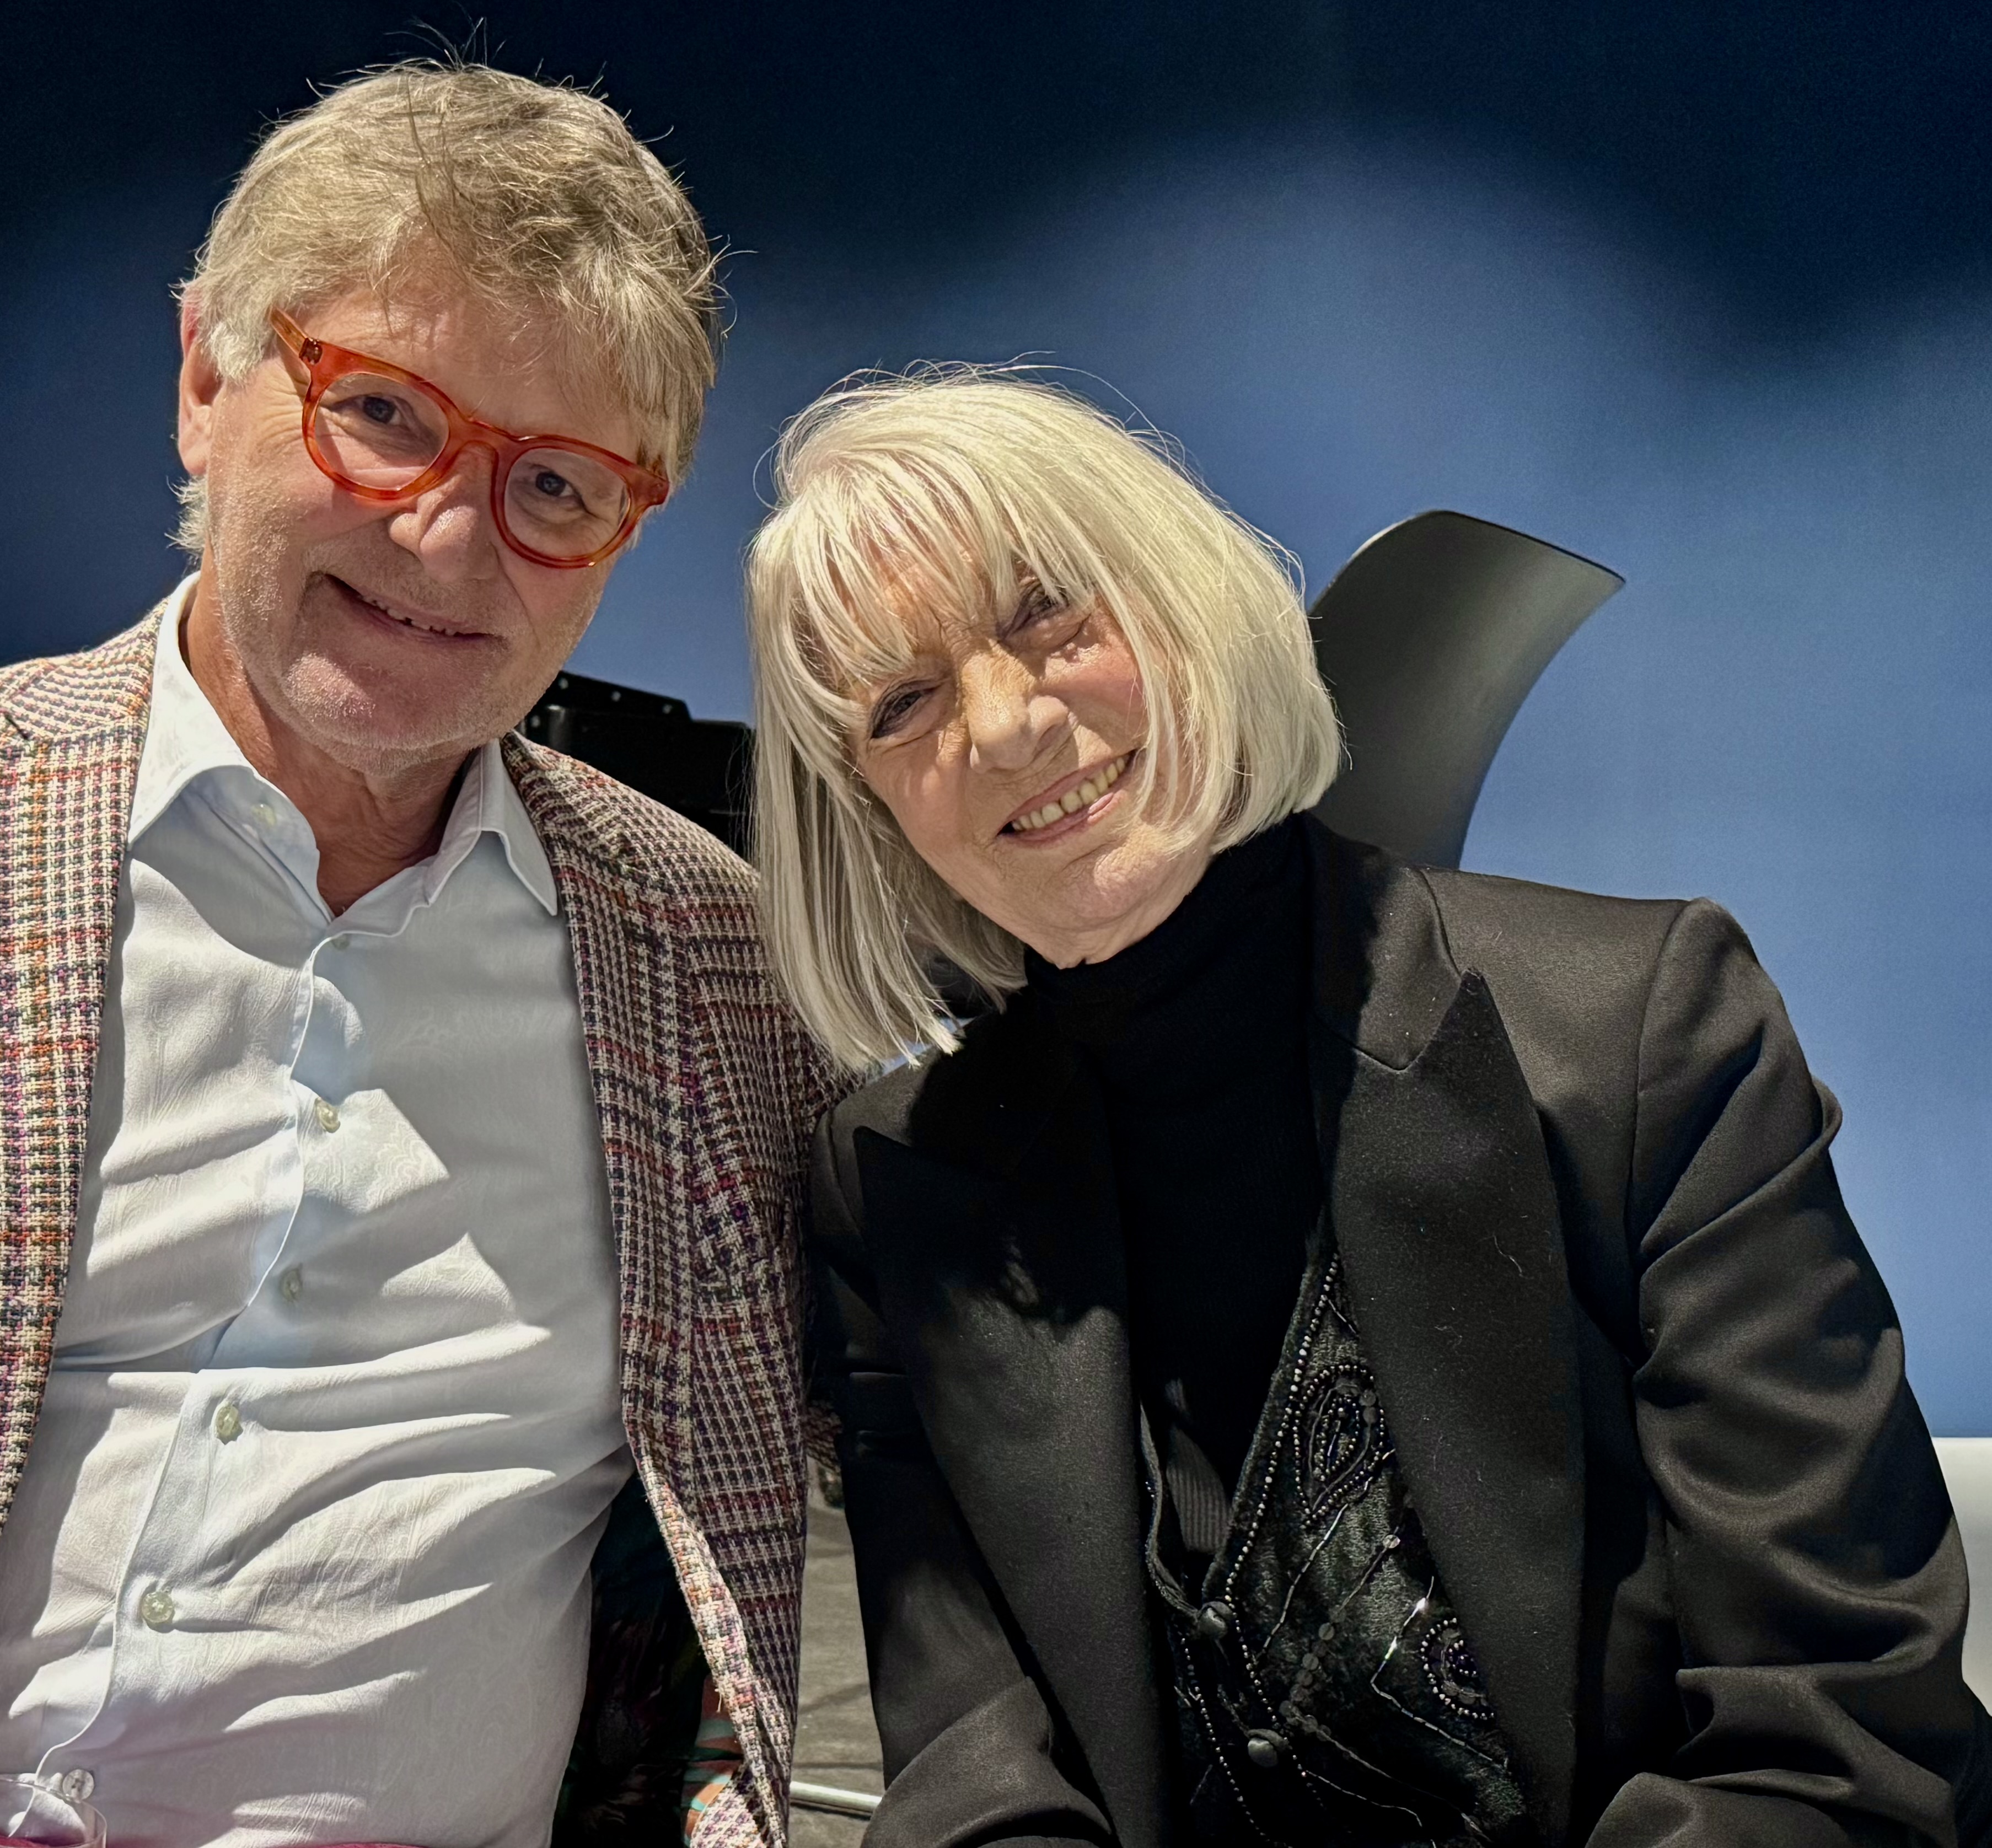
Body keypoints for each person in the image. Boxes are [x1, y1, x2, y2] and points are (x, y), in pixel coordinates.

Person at [0, 62, 841, 1848]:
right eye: (380, 412)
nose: (448, 536)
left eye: (555, 483)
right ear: (204, 381)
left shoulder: (712, 968)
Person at [743, 368, 1992, 1846]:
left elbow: (1840, 1735)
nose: (1005, 725)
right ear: (868, 804)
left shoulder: (1640, 1031)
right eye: (903, 702)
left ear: (1189, 608)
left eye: (1050, 616)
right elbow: (976, 1776)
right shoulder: (890, 1182)